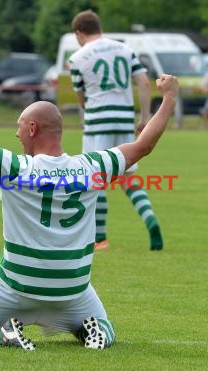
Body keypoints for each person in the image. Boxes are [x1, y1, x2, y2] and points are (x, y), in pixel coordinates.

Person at [0, 58, 178, 350]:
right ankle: (94, 334)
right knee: (104, 326)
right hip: (72, 290)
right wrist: (169, 98)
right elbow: (144, 146)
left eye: (20, 126)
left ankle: (2, 336)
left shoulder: (16, 168)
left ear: (33, 129)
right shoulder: (93, 166)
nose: (16, 133)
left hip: (17, 287)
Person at [69, 10, 163, 251]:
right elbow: (143, 81)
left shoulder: (78, 57)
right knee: (127, 175)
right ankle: (150, 219)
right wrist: (144, 117)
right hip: (123, 118)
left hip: (98, 118)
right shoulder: (125, 49)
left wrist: (86, 110)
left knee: (96, 177)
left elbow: (81, 98)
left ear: (80, 33)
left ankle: (100, 238)